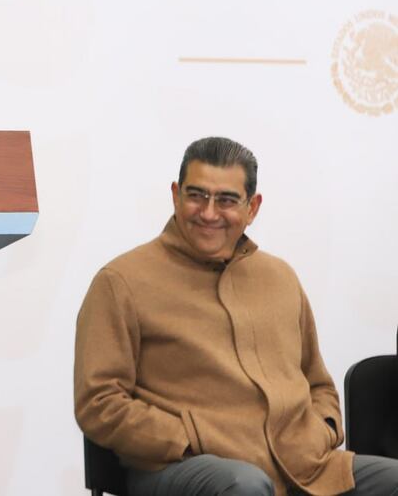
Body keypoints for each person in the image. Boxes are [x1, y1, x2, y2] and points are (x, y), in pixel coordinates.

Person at [74, 137, 398, 496]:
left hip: (301, 465)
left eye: (226, 200)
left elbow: (318, 385)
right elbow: (99, 402)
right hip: (185, 467)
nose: (209, 213)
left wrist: (321, 430)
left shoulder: (280, 277)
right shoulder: (121, 281)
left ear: (252, 207)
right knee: (243, 485)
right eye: (196, 195)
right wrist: (186, 440)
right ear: (175, 195)